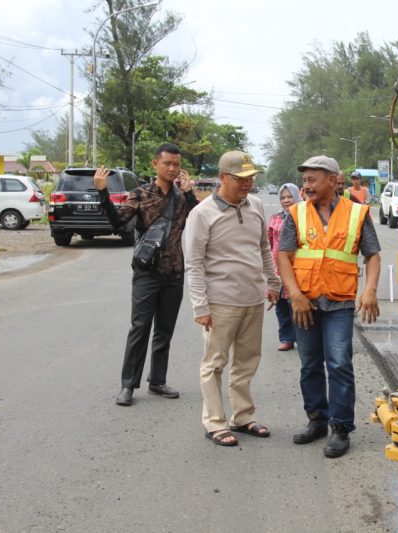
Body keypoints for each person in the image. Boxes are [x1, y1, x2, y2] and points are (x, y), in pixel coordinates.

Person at [278, 155, 381, 458]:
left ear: (333, 180)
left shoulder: (357, 214)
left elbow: (372, 254)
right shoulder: (296, 213)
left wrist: (370, 290)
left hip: (339, 302)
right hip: (304, 302)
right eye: (305, 180)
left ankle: (340, 427)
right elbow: (284, 254)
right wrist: (294, 294)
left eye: (312, 180)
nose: (305, 186)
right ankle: (317, 420)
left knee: (339, 364)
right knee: (310, 364)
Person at [185, 150, 281, 447]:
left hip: (252, 299)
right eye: (240, 179)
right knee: (214, 363)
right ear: (222, 178)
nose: (247, 184)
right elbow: (194, 263)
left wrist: (273, 280)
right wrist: (200, 305)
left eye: (251, 178)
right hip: (220, 302)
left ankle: (242, 416)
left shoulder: (254, 205)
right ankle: (215, 422)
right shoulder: (202, 214)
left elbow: (263, 246)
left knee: (247, 361)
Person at [94, 143, 198, 406]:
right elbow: (117, 222)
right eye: (167, 164)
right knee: (139, 328)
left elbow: (199, 221)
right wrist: (102, 192)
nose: (173, 168)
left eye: (177, 164)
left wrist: (191, 194)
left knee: (165, 331)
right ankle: (128, 385)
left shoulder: (182, 197)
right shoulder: (139, 194)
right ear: (155, 165)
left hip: (174, 272)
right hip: (147, 273)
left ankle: (157, 381)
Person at [267, 183, 301, 351]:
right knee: (280, 306)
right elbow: (269, 243)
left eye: (289, 196)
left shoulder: (304, 216)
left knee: (295, 305)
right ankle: (286, 338)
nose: (286, 200)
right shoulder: (275, 218)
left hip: (296, 269)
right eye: (283, 197)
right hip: (277, 269)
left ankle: (303, 339)